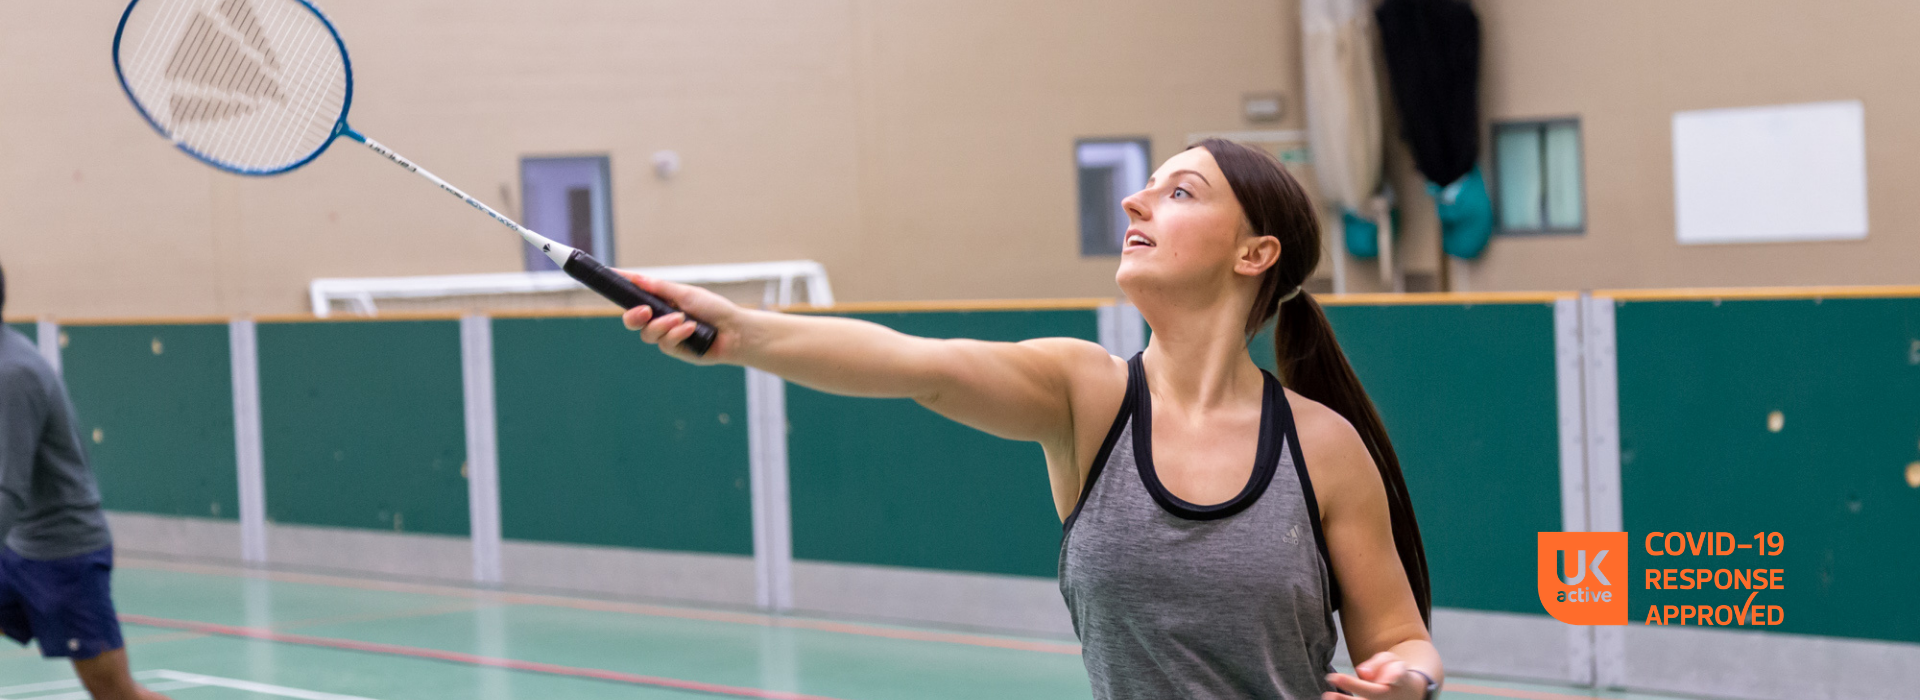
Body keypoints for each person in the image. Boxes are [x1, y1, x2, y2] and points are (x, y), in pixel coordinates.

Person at [619, 139, 1443, 700]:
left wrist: (1407, 679)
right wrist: (740, 334)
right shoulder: (1085, 395)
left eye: (1179, 191)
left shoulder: (1322, 448)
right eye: (1147, 185)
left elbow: (1403, 640)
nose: (1136, 199)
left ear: (1254, 254)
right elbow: (919, 365)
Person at [0, 262, 171, 700]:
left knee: (115, 693)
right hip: (16, 548)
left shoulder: (12, 374)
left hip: (64, 557)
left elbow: (8, 493)